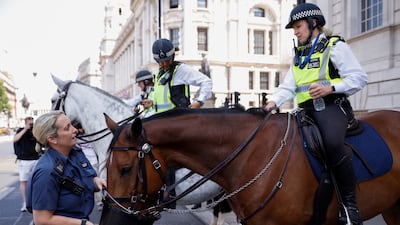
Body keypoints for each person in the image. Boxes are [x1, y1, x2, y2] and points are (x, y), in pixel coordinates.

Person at [265, 3, 367, 225]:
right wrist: (273, 101)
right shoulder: (299, 54)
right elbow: (288, 85)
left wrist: (330, 87)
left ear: (313, 24)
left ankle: (349, 207)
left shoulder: (335, 46)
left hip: (331, 107)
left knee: (332, 143)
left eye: (298, 26)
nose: (295, 31)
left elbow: (359, 78)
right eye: (293, 27)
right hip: (305, 111)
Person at [26, 111, 106, 225]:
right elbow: (42, 220)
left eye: (72, 124)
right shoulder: (47, 171)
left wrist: (96, 182)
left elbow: (84, 179)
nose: (75, 130)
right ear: (52, 139)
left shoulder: (75, 152)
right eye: (67, 128)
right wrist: (83, 224)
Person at [151, 38, 213, 113]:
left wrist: (199, 101)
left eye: (167, 60)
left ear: (173, 56)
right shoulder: (158, 74)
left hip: (178, 119)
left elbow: (206, 82)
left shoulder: (181, 70)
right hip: (161, 119)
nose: (165, 64)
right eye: (161, 62)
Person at [72, 121, 103, 211]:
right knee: (90, 181)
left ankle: (101, 200)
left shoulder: (90, 135)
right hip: (85, 161)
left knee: (98, 179)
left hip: (95, 160)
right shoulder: (75, 139)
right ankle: (98, 201)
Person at [13, 116, 40, 212]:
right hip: (24, 160)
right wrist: (25, 129)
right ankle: (25, 202)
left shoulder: (35, 132)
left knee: (37, 181)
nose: (31, 125)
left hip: (35, 159)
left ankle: (35, 201)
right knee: (23, 181)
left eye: (32, 123)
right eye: (29, 123)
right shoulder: (21, 130)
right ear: (25, 123)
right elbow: (15, 139)